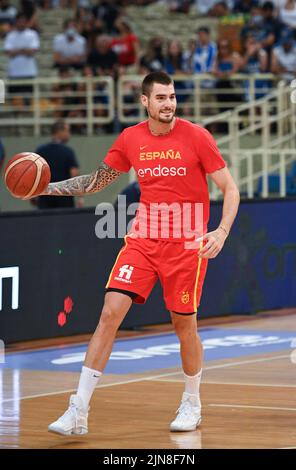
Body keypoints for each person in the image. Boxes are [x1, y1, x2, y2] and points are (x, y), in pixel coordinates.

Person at [29, 71, 239, 434]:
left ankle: (192, 401)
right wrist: (45, 186)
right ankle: (78, 409)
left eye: (172, 96)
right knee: (110, 313)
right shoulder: (131, 138)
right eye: (161, 97)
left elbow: (230, 189)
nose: (168, 103)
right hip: (143, 240)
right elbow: (95, 181)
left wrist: (220, 231)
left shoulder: (197, 136)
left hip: (186, 246)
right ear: (145, 101)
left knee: (183, 326)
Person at [35, 120, 82, 209]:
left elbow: (35, 175)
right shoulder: (68, 151)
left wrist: (32, 195)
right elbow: (74, 174)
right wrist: (80, 197)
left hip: (45, 198)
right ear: (59, 132)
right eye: (67, 131)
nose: (69, 134)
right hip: (64, 199)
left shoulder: (41, 151)